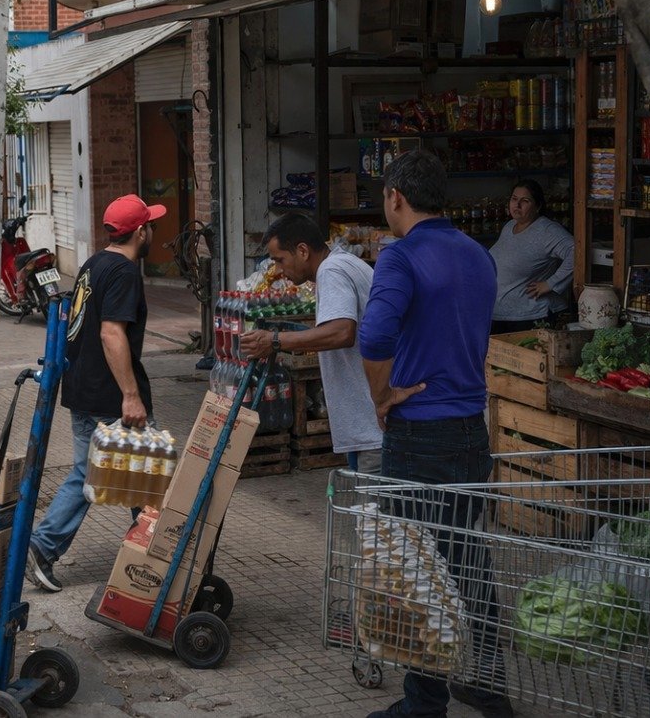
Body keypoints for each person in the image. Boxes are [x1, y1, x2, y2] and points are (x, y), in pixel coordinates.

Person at [357, 150, 513, 718]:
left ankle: (424, 703)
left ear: (396, 196)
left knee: (419, 565)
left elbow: (373, 337)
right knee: (466, 555)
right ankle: (490, 683)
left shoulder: (400, 257)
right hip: (473, 429)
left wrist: (382, 396)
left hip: (421, 434)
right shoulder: (478, 254)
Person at [26, 193, 165, 593]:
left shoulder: (92, 264)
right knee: (145, 473)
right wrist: (131, 395)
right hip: (110, 396)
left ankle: (149, 553)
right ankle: (156, 558)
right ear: (141, 231)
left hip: (84, 389)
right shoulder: (123, 272)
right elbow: (110, 332)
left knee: (94, 473)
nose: (152, 229)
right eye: (150, 224)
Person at [239, 213, 384, 474]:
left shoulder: (331, 271)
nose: (278, 270)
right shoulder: (346, 263)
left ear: (303, 251)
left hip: (371, 427)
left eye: (280, 260)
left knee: (374, 513)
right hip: (370, 424)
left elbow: (341, 332)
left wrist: (275, 340)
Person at [489, 179, 574, 334]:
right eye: (514, 199)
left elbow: (577, 252)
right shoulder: (509, 226)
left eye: (525, 201)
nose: (517, 205)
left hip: (531, 317)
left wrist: (551, 283)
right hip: (502, 315)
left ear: (538, 206)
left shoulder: (547, 230)